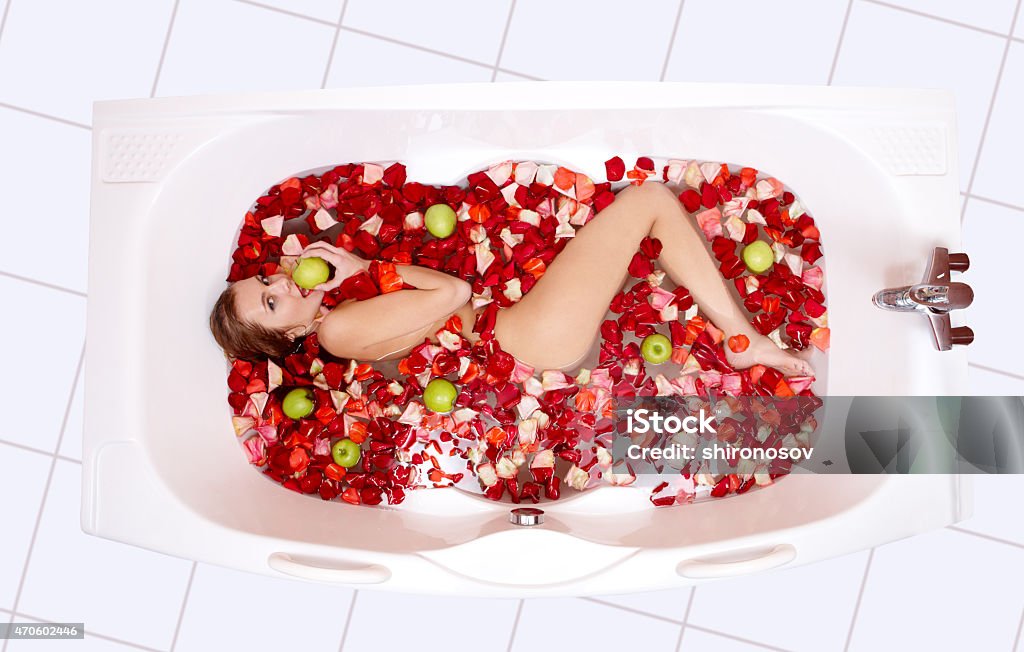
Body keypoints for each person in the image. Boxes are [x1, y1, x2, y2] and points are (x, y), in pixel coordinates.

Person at [210, 181, 813, 377]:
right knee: (650, 197)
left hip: (516, 327)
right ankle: (742, 341)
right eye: (270, 301)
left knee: (648, 207)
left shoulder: (335, 315)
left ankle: (739, 340)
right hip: (527, 335)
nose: (284, 283)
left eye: (269, 280)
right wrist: (367, 268)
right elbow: (453, 294)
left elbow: (438, 307)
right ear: (286, 339)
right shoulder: (336, 326)